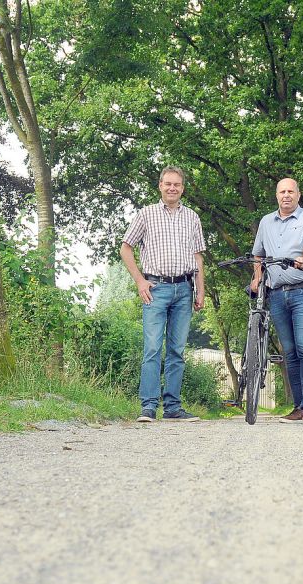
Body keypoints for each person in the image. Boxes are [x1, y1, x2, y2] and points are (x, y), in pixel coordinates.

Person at [121, 166, 206, 422]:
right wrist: (140, 282)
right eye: (168, 184)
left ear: (183, 188)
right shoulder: (146, 214)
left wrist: (200, 290)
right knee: (152, 349)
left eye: (177, 185)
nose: (172, 188)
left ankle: (172, 408)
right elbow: (126, 248)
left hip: (184, 289)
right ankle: (148, 406)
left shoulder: (192, 217)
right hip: (155, 289)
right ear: (160, 185)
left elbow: (198, 256)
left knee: (177, 351)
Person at [251, 178, 303, 425]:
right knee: (290, 352)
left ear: (298, 194)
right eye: (282, 191)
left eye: (290, 191)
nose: (286, 195)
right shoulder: (266, 222)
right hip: (277, 294)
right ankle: (298, 406)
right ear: (276, 195)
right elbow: (258, 255)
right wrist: (257, 277)